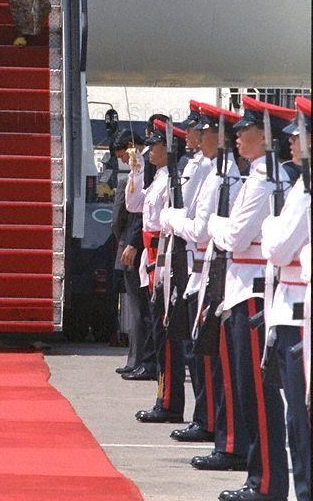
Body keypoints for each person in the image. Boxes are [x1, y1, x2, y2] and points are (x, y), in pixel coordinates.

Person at [208, 95, 293, 501]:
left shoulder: (263, 181)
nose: (238, 138)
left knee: (259, 396)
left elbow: (236, 237)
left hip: (254, 292)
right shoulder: (259, 176)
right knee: (248, 392)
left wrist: (214, 224)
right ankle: (259, 478)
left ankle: (267, 483)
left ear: (264, 135)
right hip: (245, 288)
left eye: (245, 131)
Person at [163, 103, 249, 472]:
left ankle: (222, 435)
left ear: (220, 136)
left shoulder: (225, 177)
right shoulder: (216, 173)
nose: (195, 136)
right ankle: (215, 429)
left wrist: (171, 218)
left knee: (216, 364)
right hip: (208, 270)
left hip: (221, 275)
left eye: (203, 130)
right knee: (206, 360)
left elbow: (203, 229)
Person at [261, 95, 311, 501]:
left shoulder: (305, 192)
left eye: (299, 137)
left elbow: (276, 251)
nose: (291, 144)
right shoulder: (299, 186)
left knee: (301, 422)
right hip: (292, 311)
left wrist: (269, 224)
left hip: (299, 318)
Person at [135, 119, 188, 422]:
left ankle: (169, 401)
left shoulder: (172, 179)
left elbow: (165, 223)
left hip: (163, 256)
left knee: (165, 334)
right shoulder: (158, 177)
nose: (149, 151)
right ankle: (163, 397)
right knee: (159, 333)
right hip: (152, 254)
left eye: (154, 145)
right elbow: (135, 206)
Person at [112, 129, 156, 380]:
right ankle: (137, 359)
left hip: (142, 245)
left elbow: (139, 214)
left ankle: (143, 360)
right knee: (137, 309)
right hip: (138, 243)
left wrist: (131, 243)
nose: (123, 161)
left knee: (142, 310)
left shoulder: (147, 167)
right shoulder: (138, 168)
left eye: (123, 155)